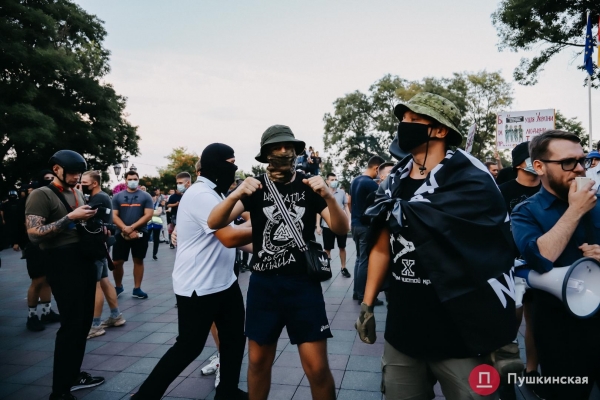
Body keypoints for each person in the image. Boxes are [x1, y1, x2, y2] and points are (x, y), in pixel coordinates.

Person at [356, 93, 516, 400]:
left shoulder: (471, 179)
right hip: (404, 329)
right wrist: (367, 304)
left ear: (440, 130)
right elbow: (382, 247)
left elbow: (493, 252)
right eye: (403, 120)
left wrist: (501, 330)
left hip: (461, 332)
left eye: (414, 120)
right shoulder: (393, 182)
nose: (404, 125)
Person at [208, 125, 349, 400]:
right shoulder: (256, 187)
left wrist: (329, 195)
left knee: (317, 368)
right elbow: (214, 221)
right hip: (264, 287)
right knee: (258, 363)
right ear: (266, 154)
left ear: (296, 151)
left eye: (288, 146)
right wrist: (236, 193)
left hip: (303, 286)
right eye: (276, 147)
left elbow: (341, 228)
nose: (283, 151)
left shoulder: (309, 184)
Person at [132, 143, 250, 400]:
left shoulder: (215, 194)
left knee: (233, 340)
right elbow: (229, 238)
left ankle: (227, 392)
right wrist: (271, 231)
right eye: (230, 163)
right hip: (199, 286)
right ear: (216, 164)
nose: (234, 168)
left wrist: (271, 246)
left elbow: (236, 236)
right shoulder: (201, 195)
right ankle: (144, 397)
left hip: (224, 282)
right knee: (189, 347)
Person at [511, 130, 600, 399]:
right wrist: (575, 210)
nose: (580, 169)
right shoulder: (525, 211)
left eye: (582, 160)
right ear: (539, 167)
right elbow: (541, 257)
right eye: (568, 162)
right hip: (559, 329)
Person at [25, 150, 105, 399]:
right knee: (71, 325)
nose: (76, 177)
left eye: (79, 173)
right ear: (57, 169)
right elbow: (33, 233)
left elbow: (78, 226)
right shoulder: (41, 194)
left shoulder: (78, 192)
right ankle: (59, 391)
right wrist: (69, 217)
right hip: (61, 262)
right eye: (71, 173)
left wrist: (95, 226)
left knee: (82, 324)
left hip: (83, 260)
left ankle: (73, 375)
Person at [498, 141, 542, 399]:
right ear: (519, 164)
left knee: (534, 321)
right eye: (533, 157)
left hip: (540, 267)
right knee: (510, 322)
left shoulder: (548, 189)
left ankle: (532, 371)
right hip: (509, 266)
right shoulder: (502, 192)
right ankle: (505, 373)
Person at [81, 171, 126, 339]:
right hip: (101, 243)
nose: (81, 185)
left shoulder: (98, 198)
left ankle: (95, 325)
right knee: (104, 280)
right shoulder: (103, 196)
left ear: (94, 183)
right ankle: (116, 316)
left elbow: (82, 214)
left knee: (96, 284)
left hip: (95, 244)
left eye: (84, 182)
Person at [111, 170, 153, 299]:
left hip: (140, 233)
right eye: (130, 179)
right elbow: (114, 215)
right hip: (120, 232)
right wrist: (125, 228)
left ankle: (137, 288)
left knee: (138, 260)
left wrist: (133, 227)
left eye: (135, 179)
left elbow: (148, 215)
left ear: (138, 180)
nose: (133, 181)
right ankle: (118, 286)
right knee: (117, 262)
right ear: (125, 180)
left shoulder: (146, 196)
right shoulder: (117, 197)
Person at [349, 155, 385, 304]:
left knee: (359, 259)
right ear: (376, 168)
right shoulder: (370, 184)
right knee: (365, 260)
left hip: (354, 224)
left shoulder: (355, 180)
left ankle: (356, 292)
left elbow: (350, 202)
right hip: (365, 226)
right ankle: (363, 295)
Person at [316, 173, 351, 277]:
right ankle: (326, 269)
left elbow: (346, 207)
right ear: (327, 181)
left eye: (335, 179)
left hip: (340, 225)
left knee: (342, 247)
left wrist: (349, 221)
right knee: (327, 249)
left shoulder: (341, 193)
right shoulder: (322, 193)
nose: (334, 181)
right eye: (332, 179)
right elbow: (319, 211)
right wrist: (318, 225)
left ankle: (343, 268)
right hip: (327, 225)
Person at [166, 184, 183, 249]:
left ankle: (180, 242)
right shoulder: (172, 197)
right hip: (174, 214)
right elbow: (168, 205)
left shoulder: (183, 195)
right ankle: (172, 243)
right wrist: (175, 204)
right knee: (174, 228)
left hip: (182, 214)